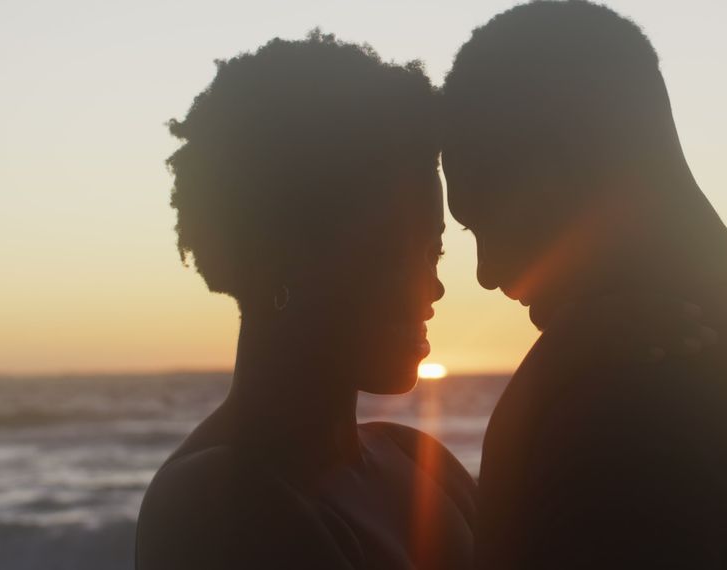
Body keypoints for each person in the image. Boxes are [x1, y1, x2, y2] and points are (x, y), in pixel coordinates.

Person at [441, 2, 727, 569]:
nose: (487, 274)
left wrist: (518, 423)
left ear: (558, 169)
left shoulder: (625, 393)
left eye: (481, 221)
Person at [135, 33, 475, 570]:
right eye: (391, 253)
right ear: (278, 261)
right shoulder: (212, 505)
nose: (431, 289)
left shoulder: (418, 461)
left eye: (434, 252)